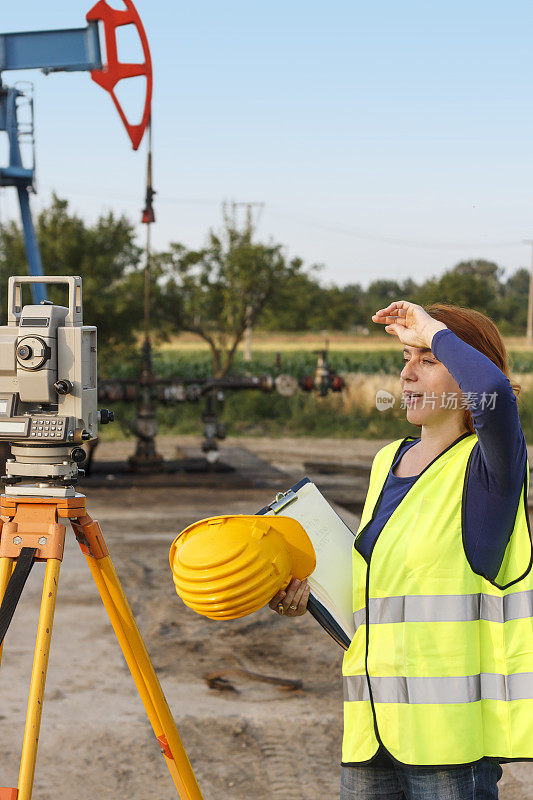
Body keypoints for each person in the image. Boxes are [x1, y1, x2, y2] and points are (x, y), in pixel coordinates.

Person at [269, 300, 533, 800]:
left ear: (465, 373)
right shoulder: (387, 461)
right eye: (406, 358)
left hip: (447, 752)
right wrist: (310, 595)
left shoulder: (489, 471)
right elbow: (382, 601)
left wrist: (433, 329)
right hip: (370, 732)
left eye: (427, 360)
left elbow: (496, 393)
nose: (407, 373)